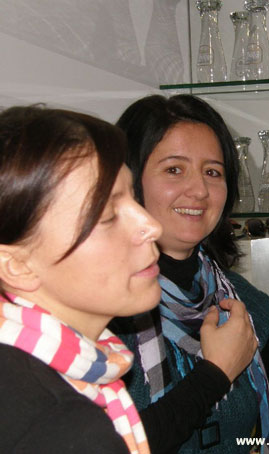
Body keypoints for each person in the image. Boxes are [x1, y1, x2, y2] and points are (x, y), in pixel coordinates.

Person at [110, 94, 269, 454]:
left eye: (213, 172)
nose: (200, 190)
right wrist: (215, 373)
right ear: (128, 180)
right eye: (174, 169)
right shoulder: (100, 306)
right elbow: (108, 443)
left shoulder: (235, 295)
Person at [0, 105, 163, 453]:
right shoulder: (63, 429)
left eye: (134, 198)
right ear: (16, 266)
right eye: (107, 215)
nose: (151, 225)